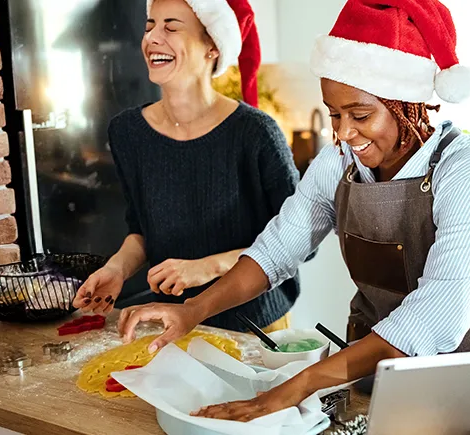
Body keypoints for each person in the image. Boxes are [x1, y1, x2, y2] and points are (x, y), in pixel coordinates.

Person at [118, 0, 470, 421]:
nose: (344, 133)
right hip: (375, 370)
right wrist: (192, 311)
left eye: (361, 115)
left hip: (466, 381)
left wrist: (297, 387)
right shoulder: (337, 163)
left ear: (407, 102)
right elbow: (275, 252)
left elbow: (440, 310)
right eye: (335, 114)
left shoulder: (463, 166)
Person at [72, 0, 300, 334]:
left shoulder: (255, 132)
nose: (152, 37)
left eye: (171, 27)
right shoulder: (128, 132)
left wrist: (205, 268)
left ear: (212, 46)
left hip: (255, 326)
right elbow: (143, 230)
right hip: (170, 324)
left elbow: (296, 242)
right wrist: (117, 269)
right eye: (150, 25)